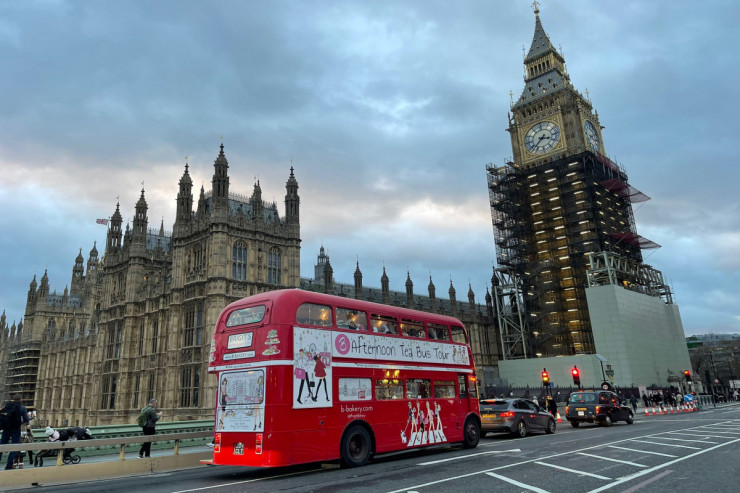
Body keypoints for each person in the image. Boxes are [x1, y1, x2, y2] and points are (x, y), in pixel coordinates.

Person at [0, 394, 30, 470]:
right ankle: (9, 466)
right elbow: (26, 419)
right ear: (20, 399)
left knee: (1, 446)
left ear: (13, 399)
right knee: (14, 447)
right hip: (16, 429)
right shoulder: (22, 408)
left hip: (6, 429)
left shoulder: (7, 406)